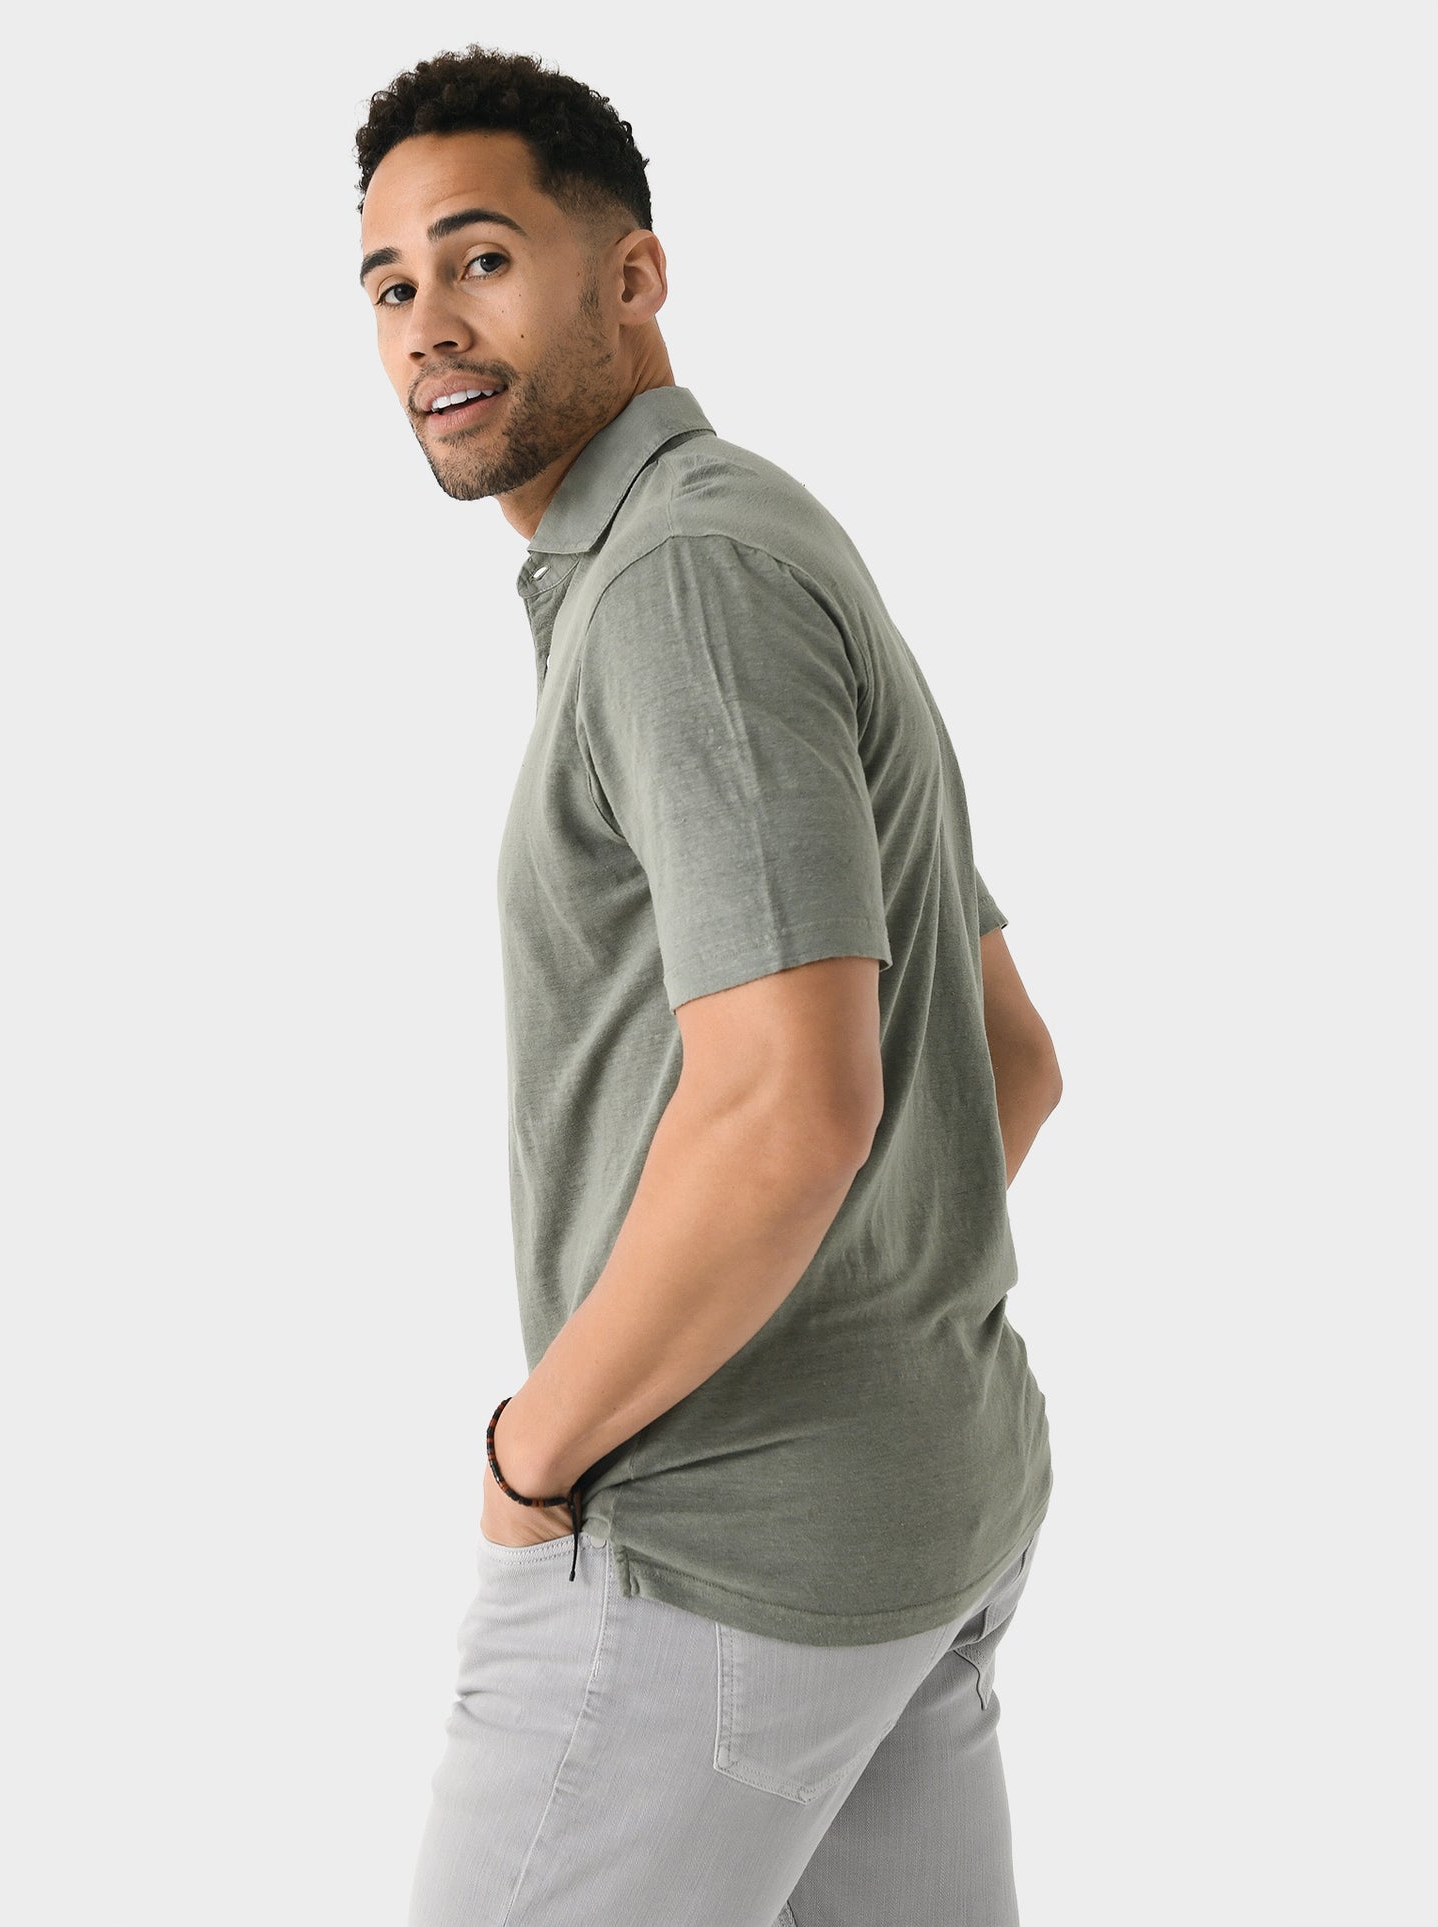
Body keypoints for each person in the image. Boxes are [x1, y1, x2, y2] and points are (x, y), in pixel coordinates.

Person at [354, 44, 1064, 1927]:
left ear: (632, 276)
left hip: (712, 1563)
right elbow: (1003, 1058)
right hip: (920, 1512)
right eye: (390, 284)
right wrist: (836, 1330)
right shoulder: (755, 528)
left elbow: (793, 1110)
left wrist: (534, 1454)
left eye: (481, 258)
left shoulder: (681, 585)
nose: (428, 325)